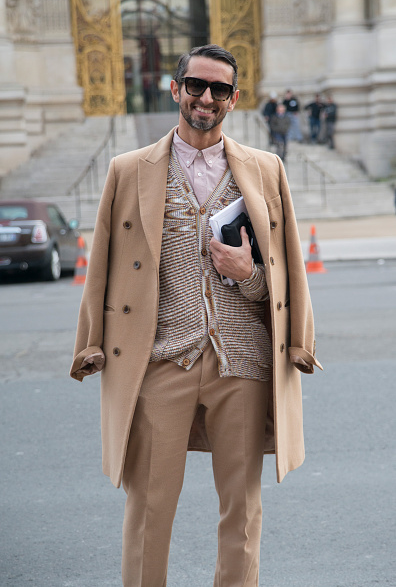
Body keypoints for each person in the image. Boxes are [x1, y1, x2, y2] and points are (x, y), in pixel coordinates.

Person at [70, 44, 322, 587]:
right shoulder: (127, 170)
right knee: (148, 508)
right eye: (195, 86)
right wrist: (89, 342)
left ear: (234, 100)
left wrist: (247, 274)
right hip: (163, 360)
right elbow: (104, 267)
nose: (205, 98)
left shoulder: (265, 168)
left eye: (219, 90)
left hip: (244, 364)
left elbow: (289, 271)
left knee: (243, 512)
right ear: (176, 89)